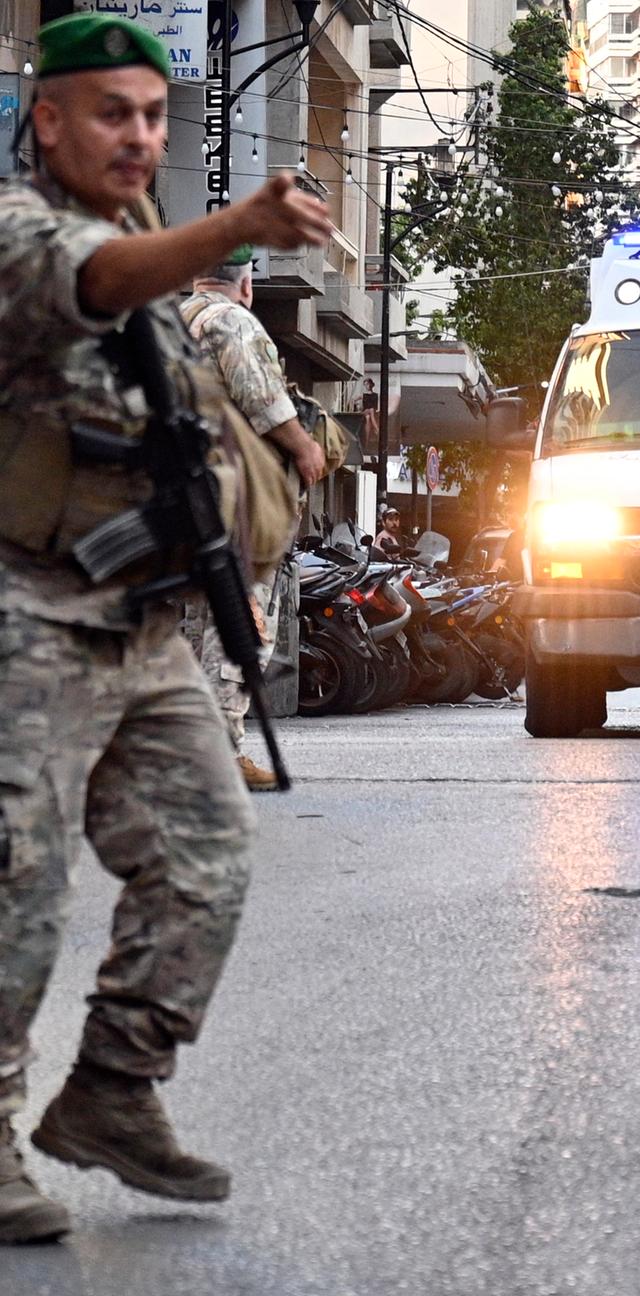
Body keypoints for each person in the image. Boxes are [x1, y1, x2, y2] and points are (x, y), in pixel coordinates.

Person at [0, 13, 331, 1244]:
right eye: (110, 114)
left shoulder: (155, 263)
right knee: (17, 883)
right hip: (25, 614)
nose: (139, 137)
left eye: (152, 115)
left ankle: (113, 1092)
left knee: (208, 852)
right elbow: (90, 283)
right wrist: (238, 224)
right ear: (47, 120)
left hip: (144, 622)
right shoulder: (25, 234)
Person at [181, 246, 325, 792]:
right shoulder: (232, 322)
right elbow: (262, 398)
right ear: (245, 284)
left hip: (182, 496)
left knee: (198, 626)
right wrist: (305, 449)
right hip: (234, 498)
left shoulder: (175, 319)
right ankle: (221, 752)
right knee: (240, 621)